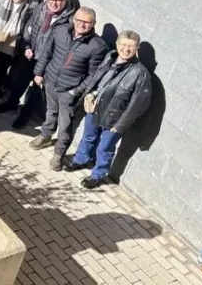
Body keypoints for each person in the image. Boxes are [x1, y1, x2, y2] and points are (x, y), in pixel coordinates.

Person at [64, 30, 151, 189]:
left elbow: (138, 105)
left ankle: (98, 175)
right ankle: (81, 160)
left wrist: (120, 125)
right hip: (95, 107)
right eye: (123, 44)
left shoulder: (140, 73)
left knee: (105, 148)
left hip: (115, 118)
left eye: (131, 46)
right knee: (88, 137)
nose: (126, 49)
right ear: (117, 45)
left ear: (136, 48)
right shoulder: (110, 57)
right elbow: (97, 78)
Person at [29, 7, 109, 170]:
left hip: (69, 91)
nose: (82, 24)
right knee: (50, 112)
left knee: (65, 124)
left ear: (93, 24)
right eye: (79, 20)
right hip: (51, 82)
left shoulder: (97, 46)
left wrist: (75, 91)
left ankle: (59, 153)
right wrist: (39, 72)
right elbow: (47, 53)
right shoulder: (60, 31)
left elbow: (93, 76)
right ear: (74, 19)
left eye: (86, 22)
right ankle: (45, 135)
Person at [0, 0, 79, 128]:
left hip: (50, 62)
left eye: (59, 0)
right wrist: (26, 46)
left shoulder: (70, 20)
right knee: (19, 80)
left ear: (65, 0)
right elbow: (29, 27)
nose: (54, 3)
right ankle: (11, 103)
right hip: (31, 54)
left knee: (36, 89)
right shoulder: (41, 8)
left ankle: (25, 115)